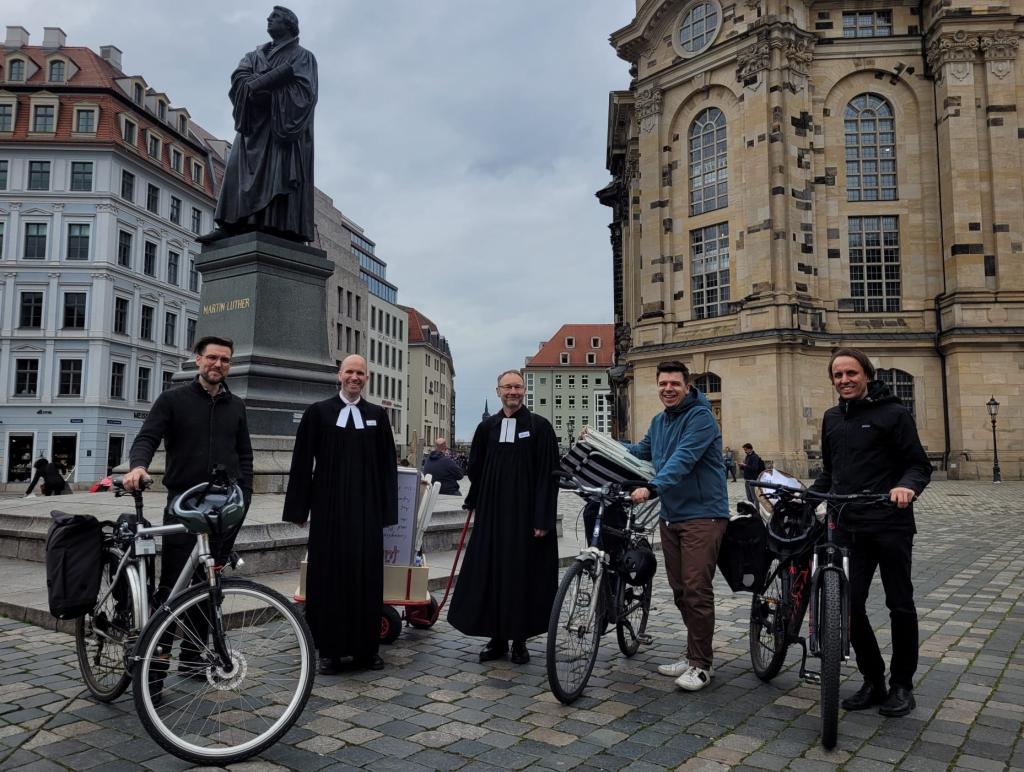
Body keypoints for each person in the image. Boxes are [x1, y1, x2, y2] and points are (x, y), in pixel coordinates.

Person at [123, 335, 253, 683]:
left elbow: (245, 459)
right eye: (212, 358)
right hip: (183, 507)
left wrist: (245, 499)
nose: (218, 365)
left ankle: (194, 660)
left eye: (225, 360)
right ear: (198, 360)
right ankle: (155, 670)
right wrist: (137, 466)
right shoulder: (172, 400)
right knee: (171, 593)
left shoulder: (236, 406)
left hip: (223, 511)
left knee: (209, 591)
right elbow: (147, 438)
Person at [811, 347, 931, 718]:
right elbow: (830, 474)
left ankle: (901, 685)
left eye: (851, 374)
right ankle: (873, 679)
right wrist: (801, 496)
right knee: (849, 604)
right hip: (848, 525)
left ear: (866, 375)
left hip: (890, 522)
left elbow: (917, 464)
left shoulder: (894, 413)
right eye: (838, 375)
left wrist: (906, 487)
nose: (844, 380)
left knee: (900, 605)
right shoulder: (832, 418)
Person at [283, 354, 397, 674]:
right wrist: (298, 508)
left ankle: (365, 649)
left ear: (367, 378)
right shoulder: (318, 413)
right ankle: (329, 651)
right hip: (329, 508)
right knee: (328, 578)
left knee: (366, 577)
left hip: (366, 510)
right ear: (339, 375)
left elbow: (388, 465)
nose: (354, 377)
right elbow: (303, 462)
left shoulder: (377, 415)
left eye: (360, 373)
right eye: (349, 371)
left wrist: (388, 510)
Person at [623, 361, 729, 691]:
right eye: (663, 384)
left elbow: (683, 458)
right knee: (681, 590)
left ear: (687, 386)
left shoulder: (701, 417)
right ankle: (693, 651)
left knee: (696, 588)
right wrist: (600, 442)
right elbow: (640, 451)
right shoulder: (659, 421)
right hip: (672, 516)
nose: (668, 389)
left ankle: (701, 664)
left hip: (703, 515)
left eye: (674, 384)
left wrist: (653, 487)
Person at [447, 369, 560, 665]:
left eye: (518, 387)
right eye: (508, 387)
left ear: (524, 391)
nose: (513, 392)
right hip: (494, 518)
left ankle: (520, 640)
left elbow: (549, 476)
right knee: (493, 575)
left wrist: (542, 518)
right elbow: (476, 468)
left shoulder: (540, 427)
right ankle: (496, 638)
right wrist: (476, 502)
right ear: (498, 391)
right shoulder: (487, 429)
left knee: (522, 577)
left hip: (525, 519)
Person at [207, 6, 317, 243]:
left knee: (278, 173)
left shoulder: (303, 56)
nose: (268, 19)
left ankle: (276, 226)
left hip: (281, 128)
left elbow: (305, 93)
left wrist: (272, 93)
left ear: (289, 24)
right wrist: (254, 86)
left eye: (275, 17)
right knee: (236, 169)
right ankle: (233, 223)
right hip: (252, 124)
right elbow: (239, 78)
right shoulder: (254, 55)